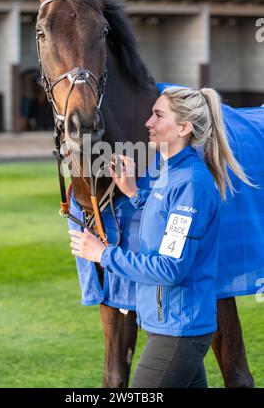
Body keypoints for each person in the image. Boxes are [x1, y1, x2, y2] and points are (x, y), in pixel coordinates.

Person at [68, 86, 253, 388]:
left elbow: (171, 268)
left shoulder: (189, 182)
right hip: (169, 325)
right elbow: (165, 219)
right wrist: (133, 193)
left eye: (157, 115)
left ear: (183, 127)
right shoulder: (171, 174)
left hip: (179, 330)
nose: (148, 123)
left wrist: (103, 254)